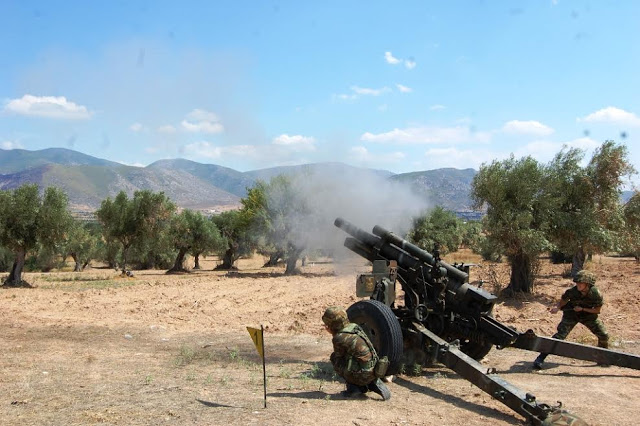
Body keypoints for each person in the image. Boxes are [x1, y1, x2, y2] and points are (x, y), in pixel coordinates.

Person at [533, 270, 610, 370]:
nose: (578, 284)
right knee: (560, 336)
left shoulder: (596, 294)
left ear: (587, 284)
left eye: (580, 283)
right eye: (577, 282)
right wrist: (557, 307)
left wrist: (582, 309)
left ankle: (602, 358)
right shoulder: (572, 291)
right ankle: (540, 358)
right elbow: (563, 301)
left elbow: (597, 310)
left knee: (603, 335)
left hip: (588, 316)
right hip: (571, 315)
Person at [322, 306, 391, 400]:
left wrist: (333, 333)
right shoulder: (354, 327)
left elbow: (339, 357)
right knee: (355, 357)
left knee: (334, 358)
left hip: (363, 374)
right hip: (375, 369)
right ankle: (372, 382)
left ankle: (354, 388)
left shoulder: (339, 338)